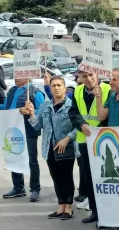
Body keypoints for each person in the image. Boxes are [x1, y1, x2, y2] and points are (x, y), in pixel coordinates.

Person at [29, 74, 81, 219]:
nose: (56, 88)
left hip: (66, 147)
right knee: (56, 177)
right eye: (54, 86)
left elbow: (79, 127)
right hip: (49, 147)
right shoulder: (45, 105)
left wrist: (67, 139)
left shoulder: (71, 105)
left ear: (65, 88)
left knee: (66, 177)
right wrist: (32, 114)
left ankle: (69, 207)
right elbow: (38, 126)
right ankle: (61, 206)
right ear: (50, 88)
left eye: (59, 85)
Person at [0, 77, 46, 202]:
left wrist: (30, 111)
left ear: (27, 76)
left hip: (28, 131)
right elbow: (6, 106)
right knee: (14, 156)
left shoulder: (34, 92)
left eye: (19, 75)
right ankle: (18, 187)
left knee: (31, 160)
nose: (16, 78)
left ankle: (35, 188)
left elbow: (43, 111)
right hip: (13, 129)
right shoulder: (12, 91)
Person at [71, 67, 111, 225]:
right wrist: (81, 125)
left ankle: (106, 213)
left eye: (91, 75)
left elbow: (109, 113)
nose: (88, 79)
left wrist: (98, 128)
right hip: (84, 140)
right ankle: (95, 211)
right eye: (84, 76)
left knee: (104, 178)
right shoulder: (78, 90)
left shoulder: (107, 89)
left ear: (97, 74)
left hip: (103, 140)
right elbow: (73, 113)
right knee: (88, 178)